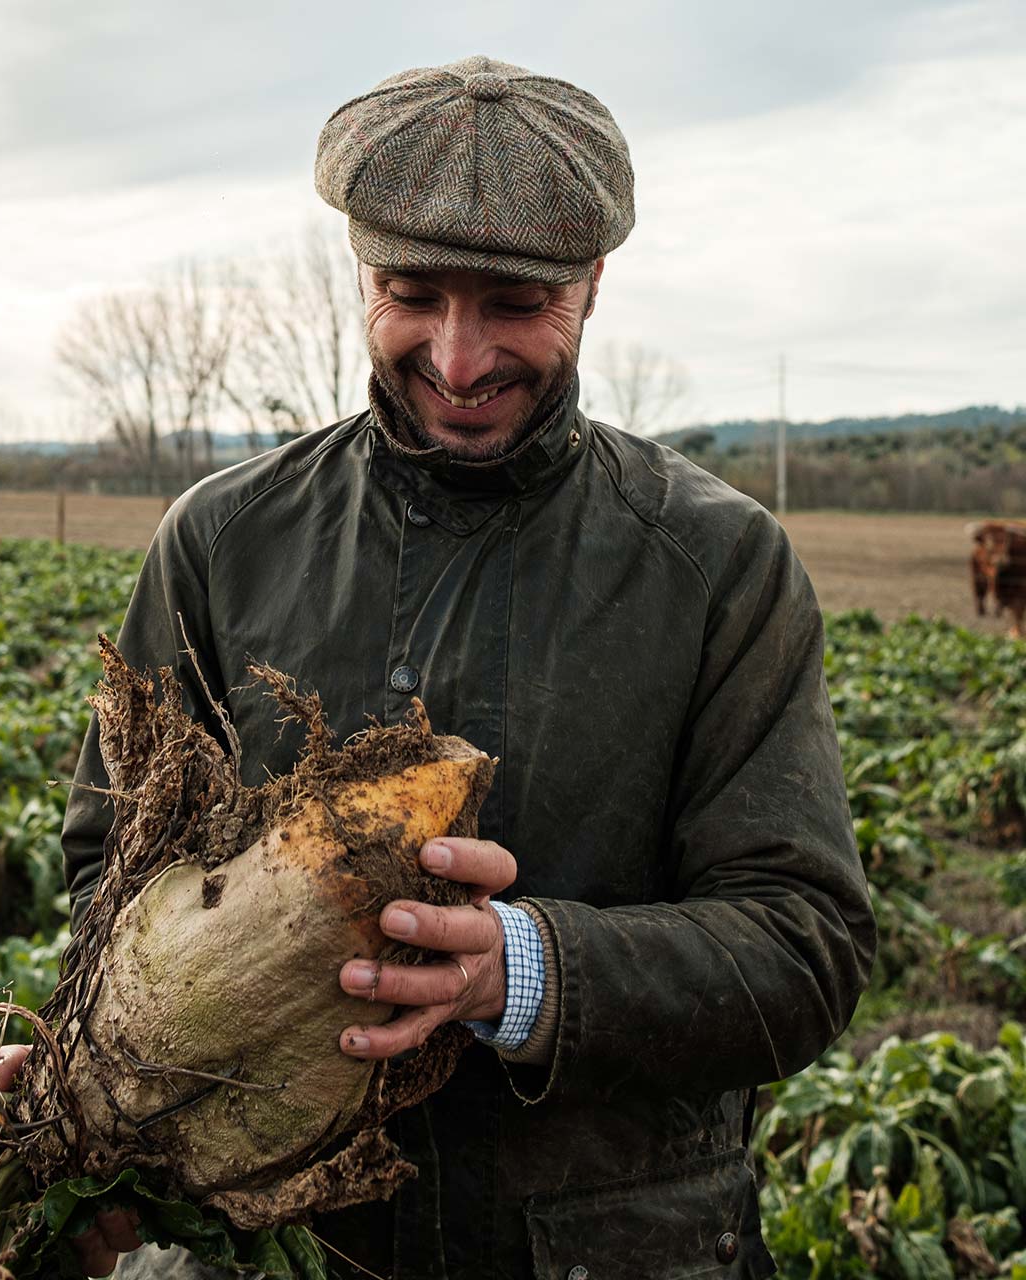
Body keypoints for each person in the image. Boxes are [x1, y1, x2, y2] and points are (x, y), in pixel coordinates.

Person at [56, 55, 876, 1280]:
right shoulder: (223, 540)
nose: (455, 356)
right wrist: (114, 1074)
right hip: (290, 1245)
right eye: (411, 293)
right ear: (358, 272)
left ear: (592, 282)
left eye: (512, 302)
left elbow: (803, 947)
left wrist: (525, 969)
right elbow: (101, 875)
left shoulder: (714, 563)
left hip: (614, 1244)